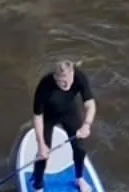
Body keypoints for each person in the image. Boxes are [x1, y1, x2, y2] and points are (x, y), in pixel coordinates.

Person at [30, 61, 97, 192]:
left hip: (69, 112)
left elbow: (90, 104)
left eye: (69, 80)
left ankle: (79, 178)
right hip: (48, 116)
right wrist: (41, 144)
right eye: (62, 82)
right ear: (55, 78)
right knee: (43, 153)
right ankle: (38, 186)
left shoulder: (79, 76)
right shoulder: (45, 85)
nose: (67, 85)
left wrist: (87, 125)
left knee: (80, 148)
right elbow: (37, 116)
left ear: (72, 73)